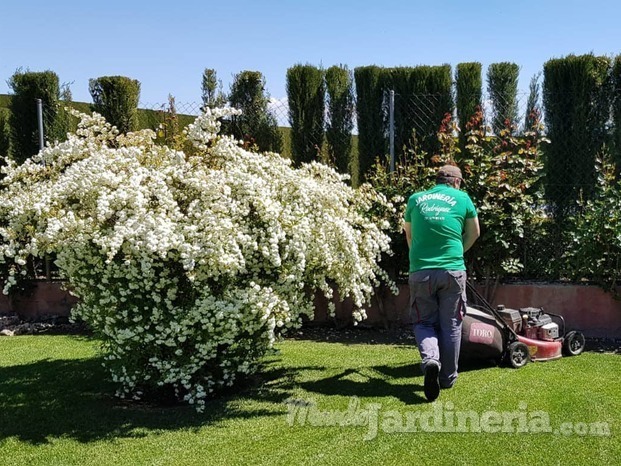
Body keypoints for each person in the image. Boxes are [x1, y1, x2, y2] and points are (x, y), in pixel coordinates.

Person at [403, 164, 480, 402]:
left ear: (436, 181)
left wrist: (420, 259)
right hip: (452, 271)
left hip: (420, 271)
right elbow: (474, 232)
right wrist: (458, 254)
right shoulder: (463, 198)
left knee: (423, 321)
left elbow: (409, 234)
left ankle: (430, 361)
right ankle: (447, 378)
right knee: (452, 324)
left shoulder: (415, 199)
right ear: (456, 182)